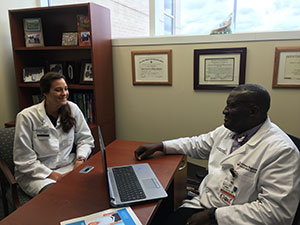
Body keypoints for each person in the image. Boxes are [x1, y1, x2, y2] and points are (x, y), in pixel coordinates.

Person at [134, 84, 300, 225]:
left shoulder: (281, 151)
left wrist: (214, 216)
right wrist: (162, 146)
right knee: (160, 216)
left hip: (236, 219)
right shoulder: (229, 130)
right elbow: (197, 144)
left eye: (231, 106)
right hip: (205, 204)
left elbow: (278, 213)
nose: (224, 111)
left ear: (253, 112)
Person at [13, 72, 94, 197]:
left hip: (68, 166)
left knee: (93, 186)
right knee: (59, 196)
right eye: (58, 90)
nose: (64, 93)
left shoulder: (73, 109)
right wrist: (57, 177)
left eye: (66, 89)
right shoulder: (26, 117)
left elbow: (85, 139)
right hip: (38, 176)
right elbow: (24, 160)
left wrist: (80, 161)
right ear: (45, 93)